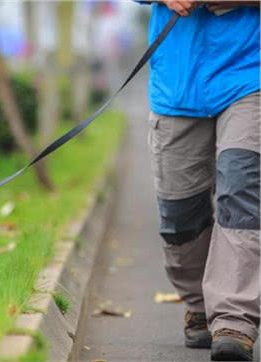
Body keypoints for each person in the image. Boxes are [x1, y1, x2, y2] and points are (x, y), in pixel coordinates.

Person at [141, 1, 260, 360]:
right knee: (180, 213)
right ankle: (199, 303)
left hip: (249, 75)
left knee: (241, 194)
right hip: (177, 83)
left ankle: (234, 319)